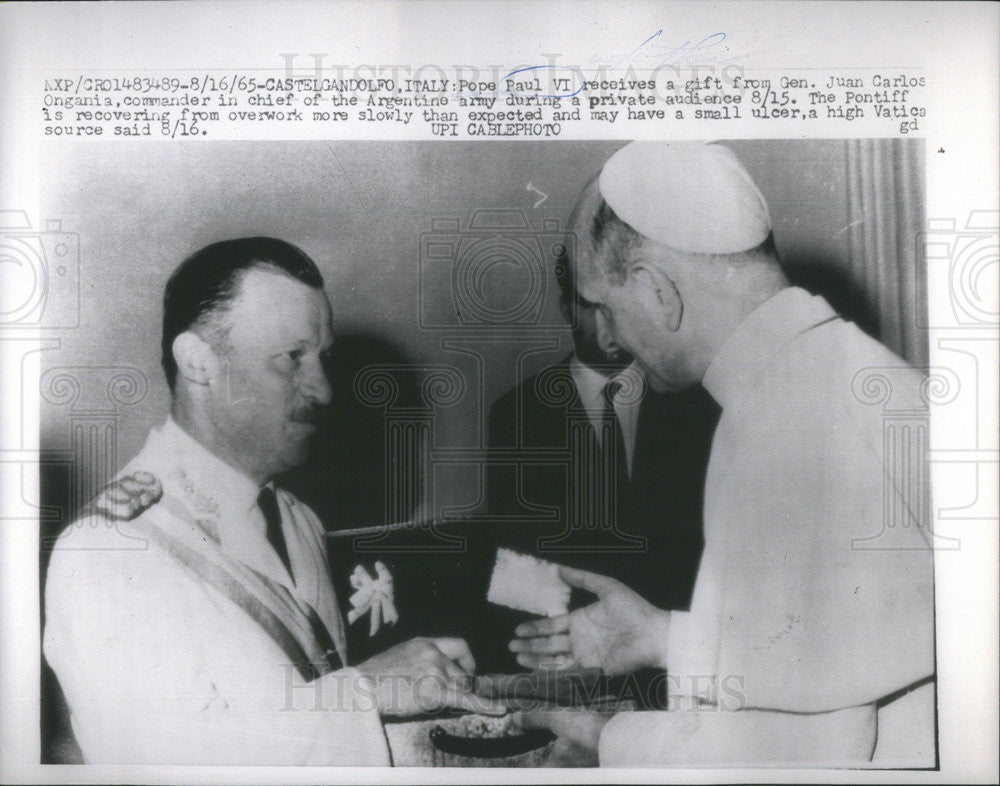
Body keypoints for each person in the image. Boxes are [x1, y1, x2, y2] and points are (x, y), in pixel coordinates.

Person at [509, 142, 935, 766]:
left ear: (657, 291)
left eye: (609, 311)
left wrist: (604, 741)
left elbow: (801, 752)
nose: (613, 338)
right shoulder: (864, 376)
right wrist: (663, 636)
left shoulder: (780, 422)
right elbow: (832, 654)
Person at [43, 237, 500, 765]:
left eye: (322, 357)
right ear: (198, 362)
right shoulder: (111, 548)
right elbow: (161, 763)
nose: (325, 390)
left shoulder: (296, 517)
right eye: (292, 358)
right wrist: (366, 691)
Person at [481, 239, 718, 676]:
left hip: (676, 662)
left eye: (620, 307)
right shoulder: (518, 415)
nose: (612, 327)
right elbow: (518, 560)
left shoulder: (697, 405)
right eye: (595, 308)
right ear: (568, 309)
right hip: (569, 663)